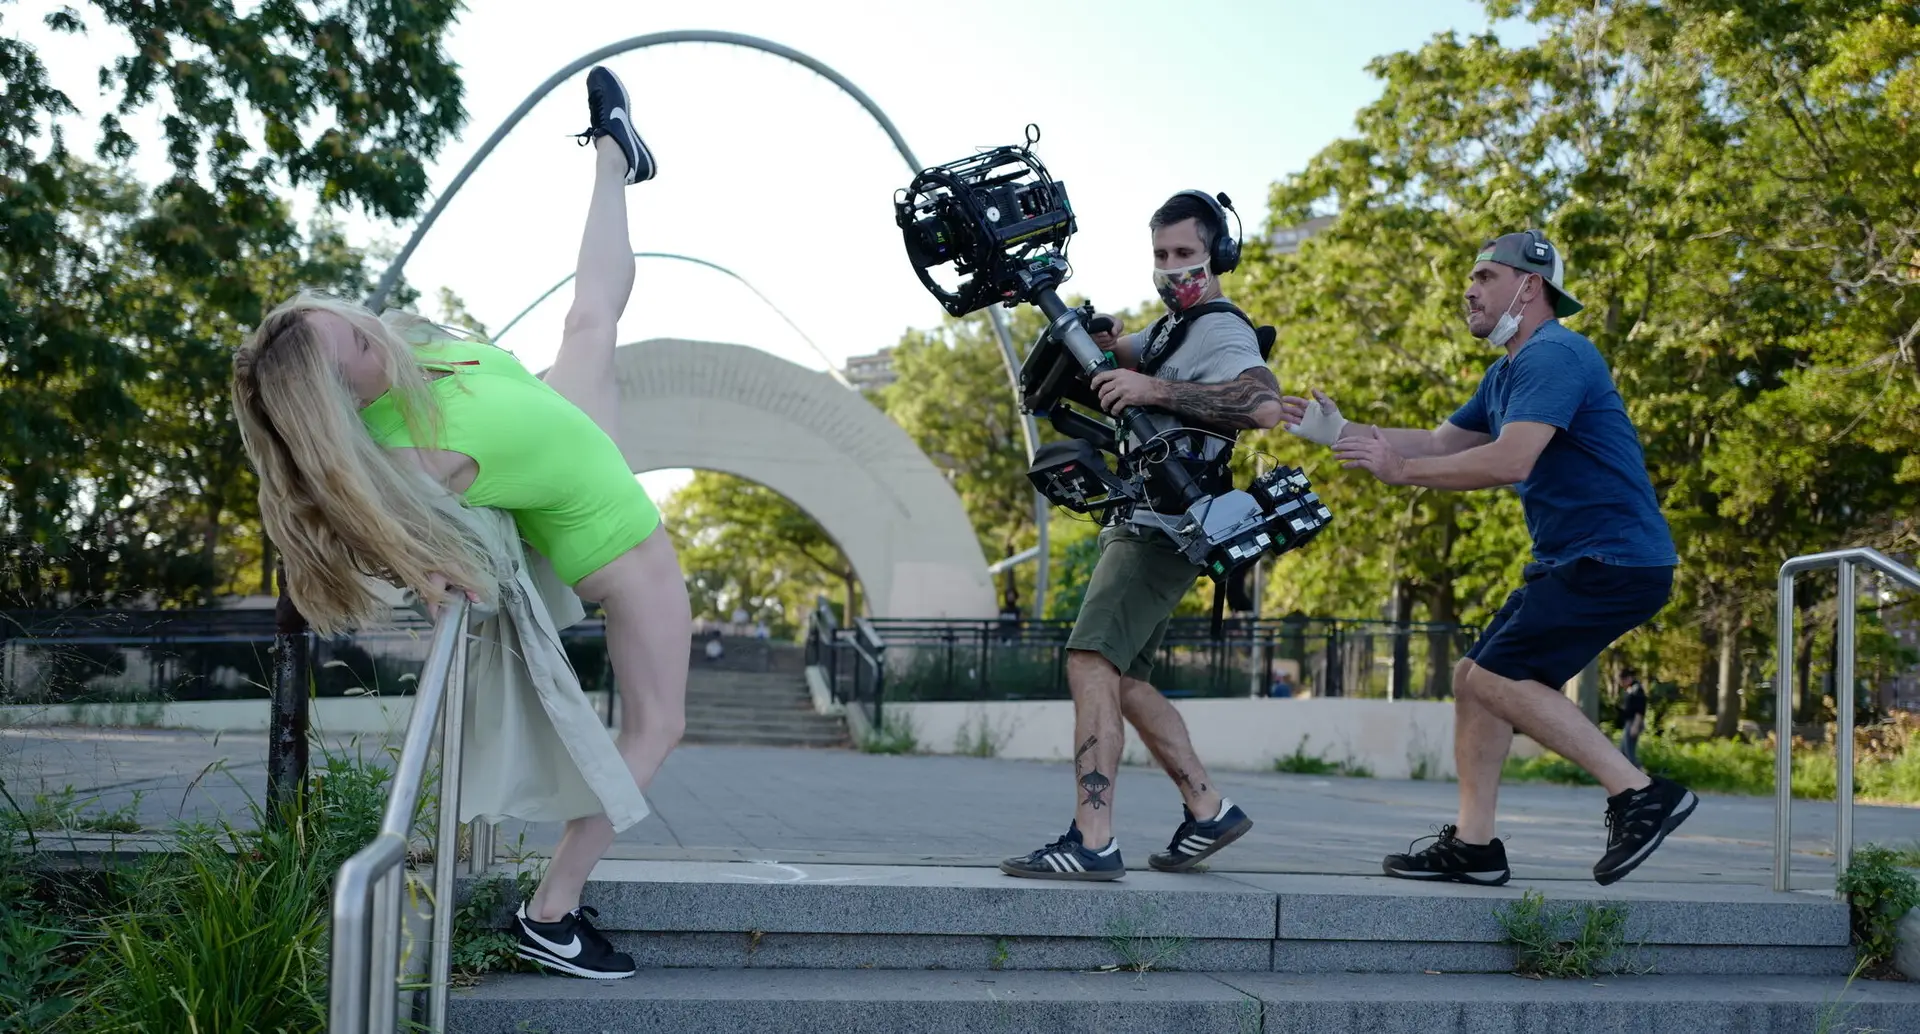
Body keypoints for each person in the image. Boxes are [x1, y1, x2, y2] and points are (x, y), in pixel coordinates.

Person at [232, 67, 682, 977]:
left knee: (591, 317)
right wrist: (438, 581)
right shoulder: (409, 462)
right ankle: (552, 911)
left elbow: (392, 341)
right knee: (658, 726)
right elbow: (400, 544)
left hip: (573, 434)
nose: (366, 330)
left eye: (348, 318)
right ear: (332, 398)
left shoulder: (412, 348)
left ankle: (611, 155)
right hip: (612, 536)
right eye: (351, 344)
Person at [1282, 229, 1695, 887]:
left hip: (1615, 558)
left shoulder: (1555, 353)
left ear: (1529, 286)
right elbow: (1443, 441)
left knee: (1498, 678)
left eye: (1483, 277)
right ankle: (1475, 847)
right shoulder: (1505, 374)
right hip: (1573, 560)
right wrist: (1339, 432)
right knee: (1473, 678)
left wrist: (1401, 471)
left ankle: (1637, 791)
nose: (1468, 291)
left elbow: (1511, 459)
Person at [999, 190, 1285, 881]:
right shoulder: (1167, 329)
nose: (1172, 267)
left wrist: (1152, 392)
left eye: (1185, 253)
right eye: (1161, 255)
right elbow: (1121, 352)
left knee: (1091, 660)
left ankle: (1092, 838)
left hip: (1163, 522)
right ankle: (1208, 808)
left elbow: (1262, 404)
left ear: (1219, 252)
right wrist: (1101, 342)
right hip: (1159, 520)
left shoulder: (1220, 326)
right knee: (1126, 679)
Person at [1617, 669, 1648, 767]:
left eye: (1623, 680)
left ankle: (1641, 774)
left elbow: (1640, 710)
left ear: (1629, 678)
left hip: (1634, 722)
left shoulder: (1637, 690)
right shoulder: (1630, 689)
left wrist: (1635, 725)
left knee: (1629, 753)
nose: (1622, 684)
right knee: (1623, 751)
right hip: (1629, 722)